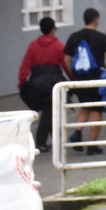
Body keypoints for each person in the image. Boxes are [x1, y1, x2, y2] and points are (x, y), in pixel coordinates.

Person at [63, 8, 106, 155]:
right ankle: (92, 145)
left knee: (85, 107)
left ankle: (77, 132)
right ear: (96, 20)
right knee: (97, 110)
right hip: (96, 78)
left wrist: (73, 74)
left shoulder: (74, 36)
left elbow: (66, 58)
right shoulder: (101, 37)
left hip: (78, 79)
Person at [18, 16, 69, 153]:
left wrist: (22, 83)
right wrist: (72, 79)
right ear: (52, 30)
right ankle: (41, 141)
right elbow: (65, 64)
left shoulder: (33, 45)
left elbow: (25, 66)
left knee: (48, 110)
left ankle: (56, 139)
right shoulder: (58, 45)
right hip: (53, 82)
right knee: (49, 110)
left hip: (36, 83)